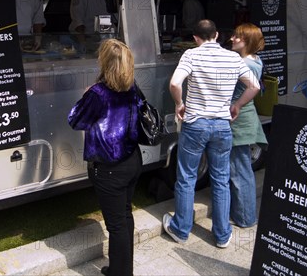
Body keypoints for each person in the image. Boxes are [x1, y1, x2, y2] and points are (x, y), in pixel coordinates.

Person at [163, 19, 260, 248]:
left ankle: (181, 229)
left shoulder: (191, 55)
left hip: (195, 124)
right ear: (216, 35)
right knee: (220, 180)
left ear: (195, 38)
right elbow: (254, 86)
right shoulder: (233, 57)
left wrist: (179, 104)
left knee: (186, 178)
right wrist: (236, 105)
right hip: (222, 126)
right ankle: (222, 235)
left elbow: (175, 83)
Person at [68, 39, 142, 276]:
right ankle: (122, 268)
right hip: (132, 160)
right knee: (125, 215)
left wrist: (85, 95)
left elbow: (75, 120)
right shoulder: (133, 88)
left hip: (109, 168)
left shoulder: (98, 94)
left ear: (105, 62)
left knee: (117, 224)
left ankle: (120, 273)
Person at [229, 23, 268, 228]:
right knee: (239, 167)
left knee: (239, 170)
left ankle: (245, 218)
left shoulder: (247, 63)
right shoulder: (253, 59)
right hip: (243, 118)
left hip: (239, 119)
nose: (233, 39)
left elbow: (252, 89)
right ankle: (241, 213)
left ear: (249, 40)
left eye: (238, 37)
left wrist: (236, 105)